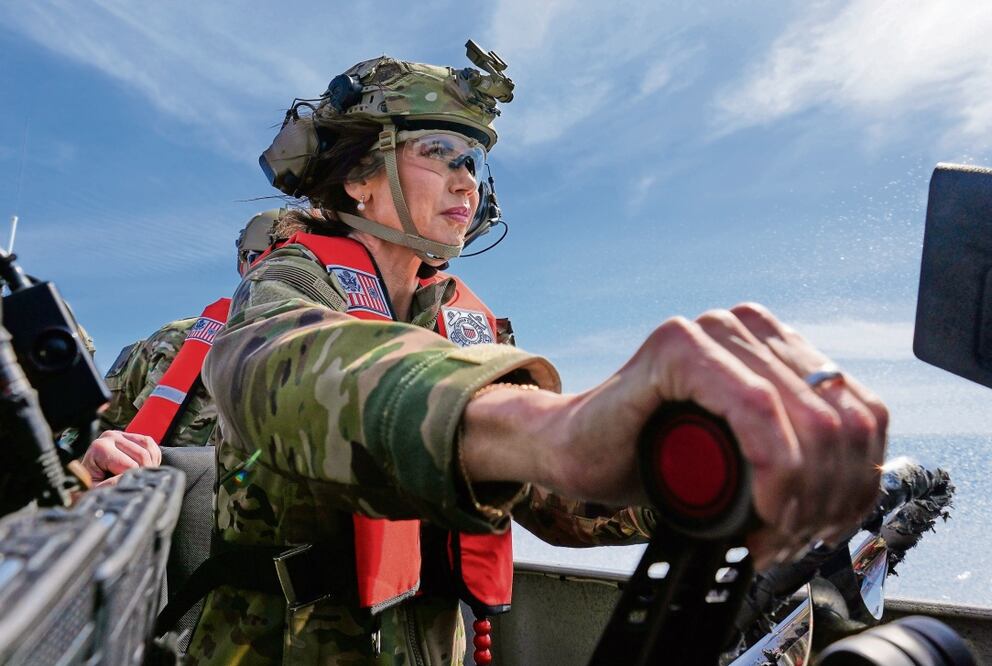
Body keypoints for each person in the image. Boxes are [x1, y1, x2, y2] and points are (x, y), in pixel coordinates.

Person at [186, 45, 887, 665]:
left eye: (475, 161)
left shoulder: (467, 321)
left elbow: (555, 497)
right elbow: (275, 374)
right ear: (358, 176)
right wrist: (546, 426)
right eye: (438, 154)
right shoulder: (293, 279)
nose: (468, 181)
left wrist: (706, 479)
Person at [80, 210, 283, 485]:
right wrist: (89, 466)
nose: (269, 272)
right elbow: (86, 434)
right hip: (150, 512)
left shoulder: (333, 360)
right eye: (257, 257)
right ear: (242, 266)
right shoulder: (173, 341)